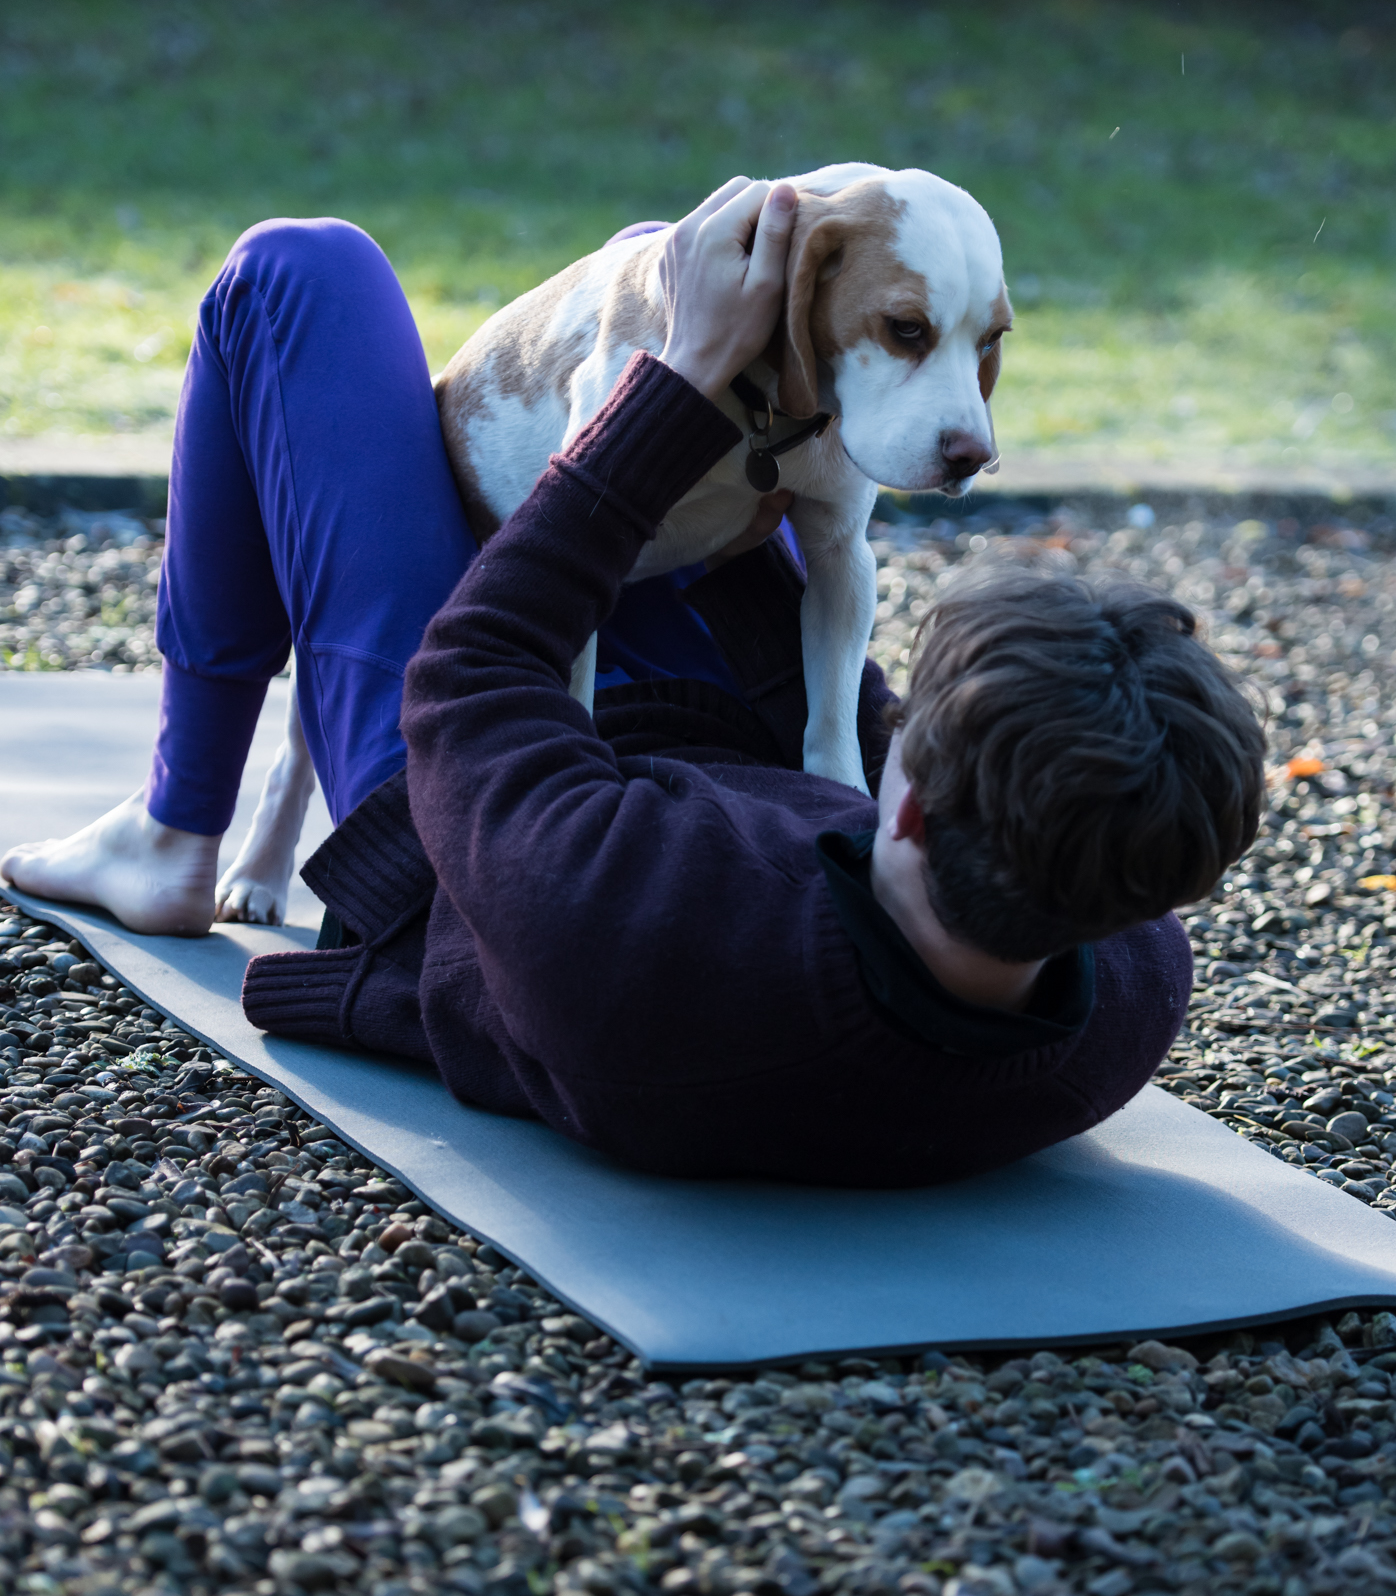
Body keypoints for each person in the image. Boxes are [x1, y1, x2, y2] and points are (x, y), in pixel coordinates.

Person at [3, 180, 1266, 1188]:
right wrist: (764, 386)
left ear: (912, 804)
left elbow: (476, 675)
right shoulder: (1128, 969)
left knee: (299, 269)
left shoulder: (635, 928)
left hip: (456, 816)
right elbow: (892, 733)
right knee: (708, 384)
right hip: (690, 740)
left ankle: (176, 824)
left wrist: (670, 380)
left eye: (909, 726)